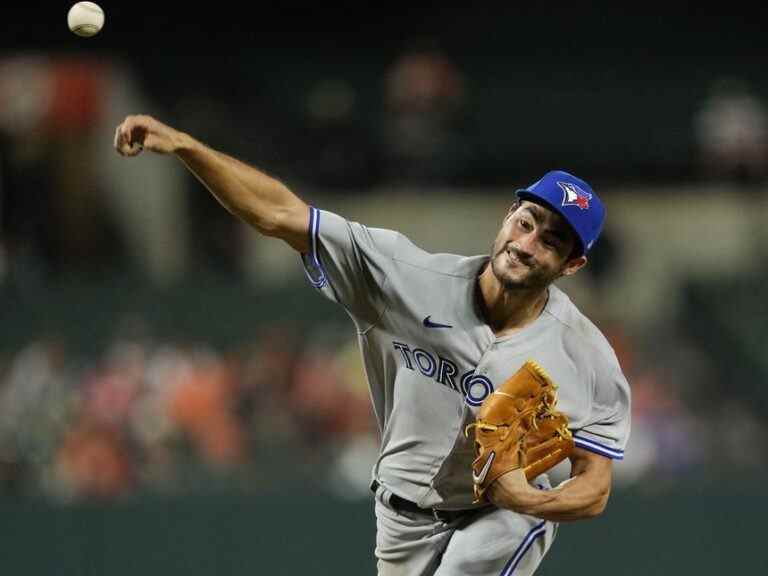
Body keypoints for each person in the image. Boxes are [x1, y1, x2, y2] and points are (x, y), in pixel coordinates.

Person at [114, 114, 631, 575]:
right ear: (507, 216)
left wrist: (528, 499)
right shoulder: (408, 277)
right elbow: (280, 214)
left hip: (502, 517)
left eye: (552, 240)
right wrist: (187, 147)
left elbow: (595, 485)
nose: (527, 243)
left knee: (516, 528)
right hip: (401, 514)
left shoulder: (586, 358)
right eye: (526, 222)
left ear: (572, 265)